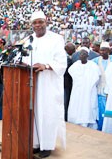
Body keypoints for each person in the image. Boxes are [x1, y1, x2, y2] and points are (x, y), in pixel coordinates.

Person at [22, 11, 67, 158]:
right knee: (34, 113)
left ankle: (47, 145)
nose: (38, 25)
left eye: (40, 22)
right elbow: (23, 57)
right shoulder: (29, 39)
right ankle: (36, 143)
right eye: (35, 23)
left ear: (46, 22)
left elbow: (62, 62)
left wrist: (46, 65)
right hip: (32, 82)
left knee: (47, 113)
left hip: (49, 83)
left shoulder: (56, 39)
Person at [67, 47, 100, 129]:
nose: (82, 55)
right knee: (76, 107)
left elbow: (97, 78)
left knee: (88, 107)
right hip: (77, 91)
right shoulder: (75, 65)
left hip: (89, 91)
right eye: (81, 53)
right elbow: (71, 72)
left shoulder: (93, 66)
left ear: (88, 55)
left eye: (84, 53)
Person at [91, 41, 112, 131]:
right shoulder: (95, 61)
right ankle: (101, 128)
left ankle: (110, 128)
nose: (102, 52)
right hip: (100, 90)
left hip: (111, 89)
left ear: (108, 50)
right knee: (101, 111)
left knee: (110, 109)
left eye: (104, 50)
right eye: (101, 50)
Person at [64, 42, 76, 121]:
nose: (75, 51)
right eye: (73, 50)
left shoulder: (69, 57)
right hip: (65, 85)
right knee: (65, 103)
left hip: (66, 85)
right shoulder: (66, 59)